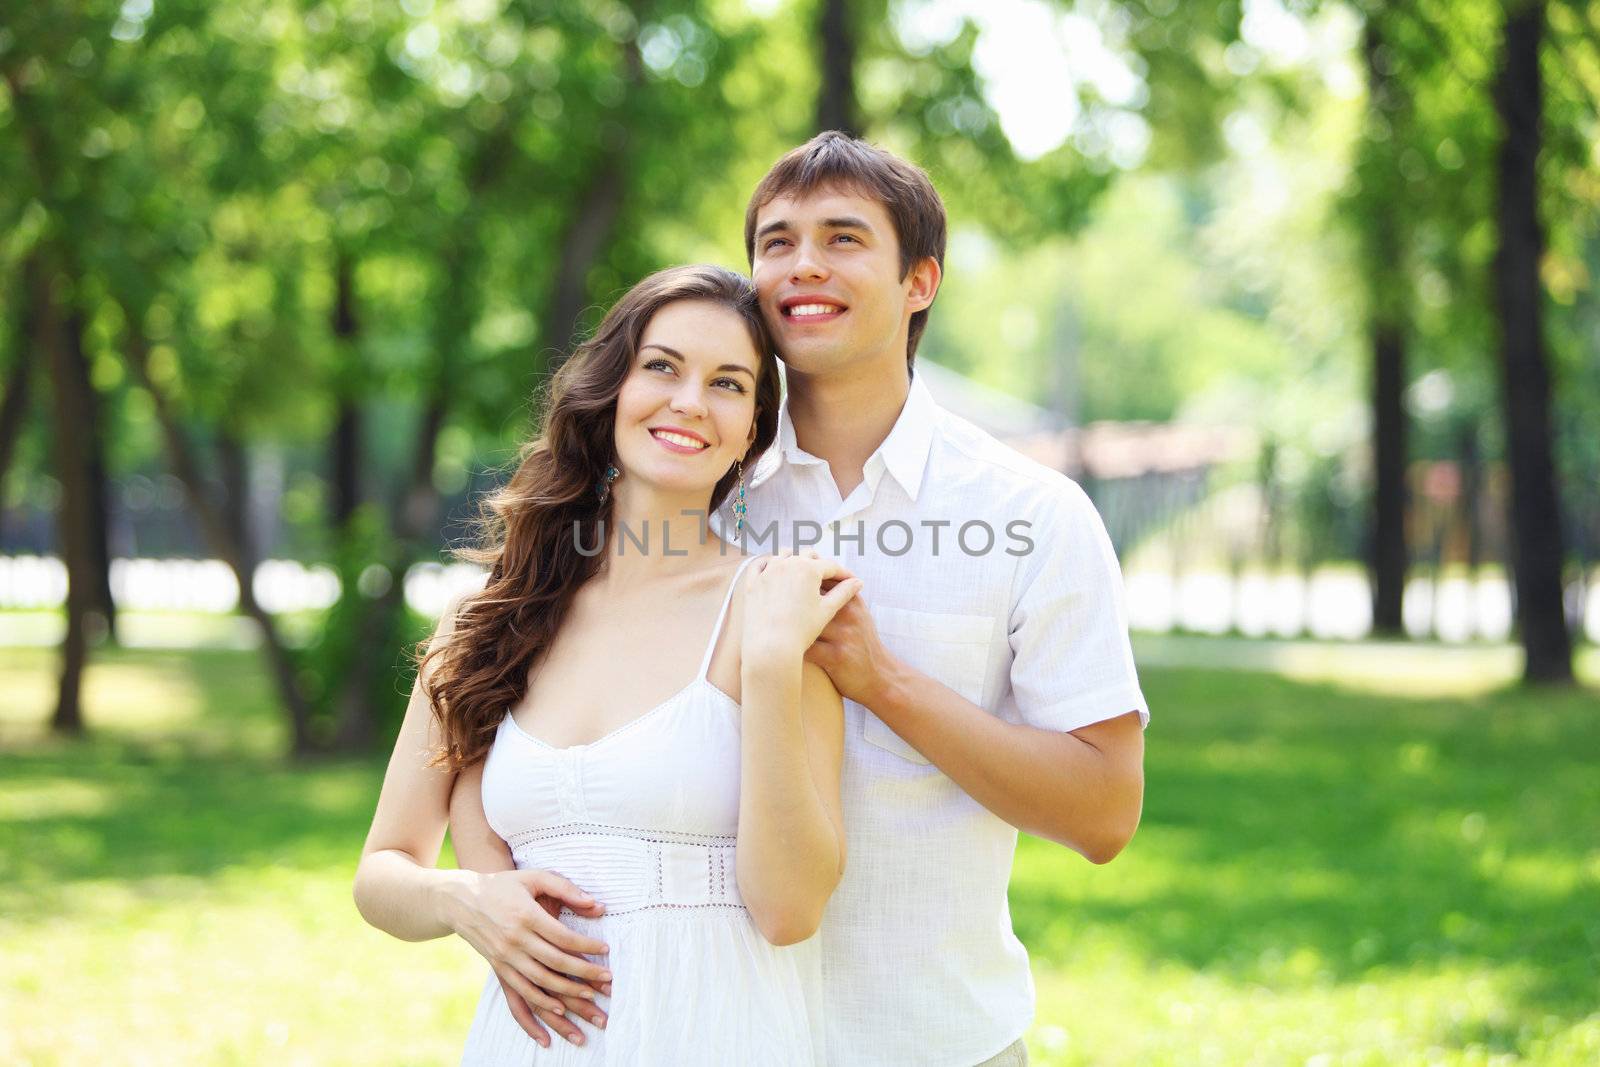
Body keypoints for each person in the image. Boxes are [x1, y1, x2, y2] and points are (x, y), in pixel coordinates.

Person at [463, 133, 1150, 1066]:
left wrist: (884, 682)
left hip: (932, 1040)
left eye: (843, 238)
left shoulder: (1029, 515)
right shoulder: (693, 481)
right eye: (777, 241)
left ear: (921, 282)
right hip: (702, 1037)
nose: (803, 266)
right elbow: (503, 701)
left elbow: (1105, 811)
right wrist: (482, 894)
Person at [353, 264, 862, 1065]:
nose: (690, 401)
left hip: (717, 1036)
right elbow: (382, 871)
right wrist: (464, 899)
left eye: (728, 384)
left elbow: (789, 910)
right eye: (662, 366)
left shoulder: (774, 612)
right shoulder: (490, 619)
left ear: (753, 429)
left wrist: (768, 664)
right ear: (611, 388)